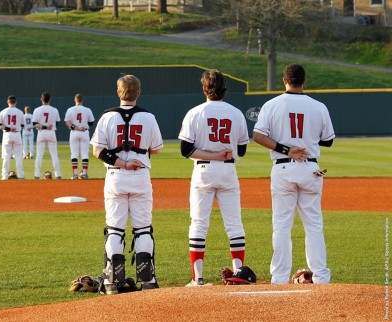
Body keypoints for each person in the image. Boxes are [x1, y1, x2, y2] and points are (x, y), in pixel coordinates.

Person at [252, 63, 335, 284]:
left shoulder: (272, 104)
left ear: (284, 80)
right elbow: (328, 140)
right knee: (314, 225)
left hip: (283, 167)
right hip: (310, 167)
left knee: (281, 224)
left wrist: (286, 148)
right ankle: (321, 277)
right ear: (304, 81)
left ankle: (278, 278)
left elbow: (258, 136)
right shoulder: (318, 106)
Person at [90, 75, 163, 295]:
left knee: (115, 229)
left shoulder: (107, 117)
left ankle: (113, 282)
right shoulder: (148, 117)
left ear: (118, 92)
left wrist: (122, 161)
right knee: (142, 229)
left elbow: (98, 151)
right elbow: (157, 148)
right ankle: (147, 280)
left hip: (115, 175)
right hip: (140, 176)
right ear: (138, 92)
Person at [178, 69, 249, 287]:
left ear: (204, 89)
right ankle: (238, 273)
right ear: (224, 89)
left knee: (199, 223)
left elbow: (186, 150)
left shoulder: (195, 112)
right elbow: (243, 149)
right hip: (228, 171)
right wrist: (221, 153)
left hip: (204, 171)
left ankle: (198, 277)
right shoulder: (236, 113)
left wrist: (211, 154)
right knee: (234, 223)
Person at [64, 93, 95, 180]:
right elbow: (91, 122)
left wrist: (76, 127)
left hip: (74, 132)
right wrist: (83, 125)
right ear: (82, 100)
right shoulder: (87, 110)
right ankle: (84, 174)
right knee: (85, 154)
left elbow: (67, 122)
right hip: (84, 132)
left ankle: (75, 175)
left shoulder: (70, 109)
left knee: (74, 154)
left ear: (75, 100)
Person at [32, 92, 62, 179]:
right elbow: (57, 122)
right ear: (49, 99)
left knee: (39, 155)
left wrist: (44, 126)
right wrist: (49, 126)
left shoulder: (37, 110)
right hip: (51, 132)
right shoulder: (55, 110)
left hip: (41, 132)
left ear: (41, 99)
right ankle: (58, 174)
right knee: (54, 155)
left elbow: (34, 124)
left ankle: (37, 175)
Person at [0, 95, 25, 180]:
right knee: (18, 156)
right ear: (16, 102)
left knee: (6, 156)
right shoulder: (20, 112)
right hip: (17, 134)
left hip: (7, 134)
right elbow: (23, 125)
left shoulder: (3, 111)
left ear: (8, 102)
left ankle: (4, 176)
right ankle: (21, 175)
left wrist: (8, 128)